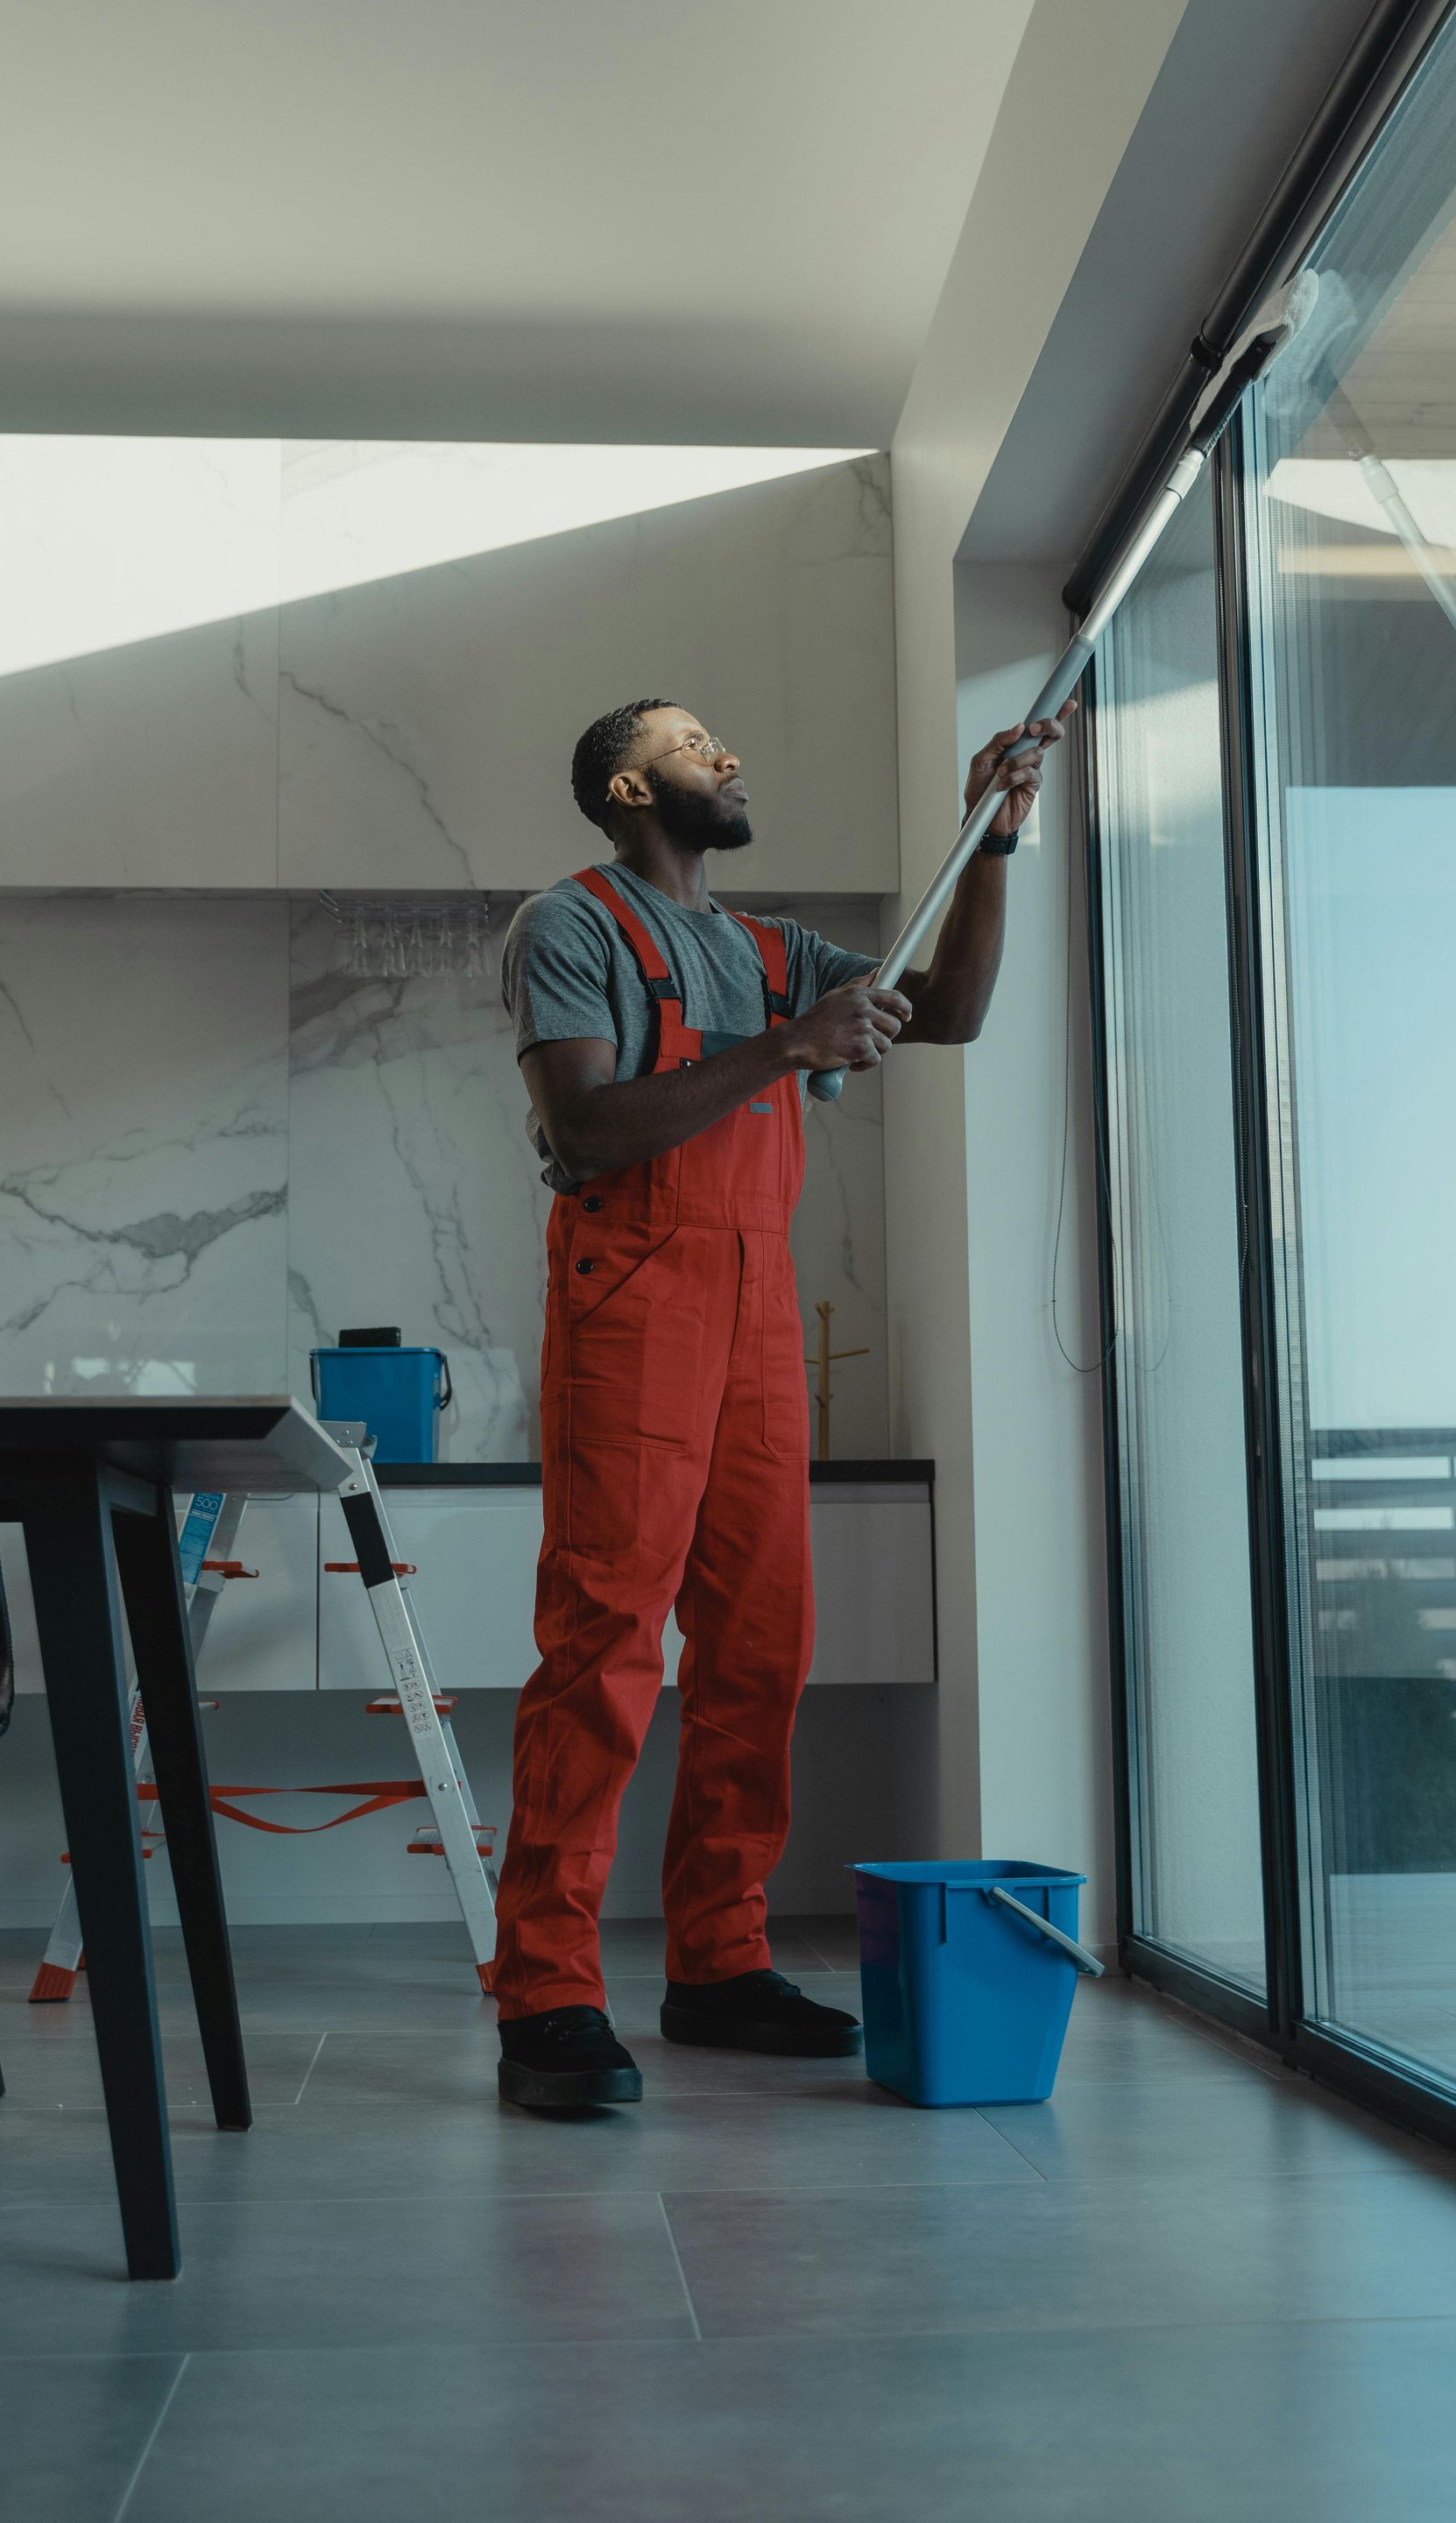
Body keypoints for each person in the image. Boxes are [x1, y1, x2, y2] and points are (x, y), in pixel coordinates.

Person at [492, 695, 1071, 2107]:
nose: (730, 757)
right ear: (631, 788)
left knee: (763, 1646)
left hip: (755, 1309)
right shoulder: (568, 927)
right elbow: (584, 1129)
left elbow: (955, 1012)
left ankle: (719, 1960)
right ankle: (549, 1992)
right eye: (697, 746)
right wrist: (783, 1051)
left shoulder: (773, 951)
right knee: (606, 1638)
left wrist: (992, 840)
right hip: (634, 1300)